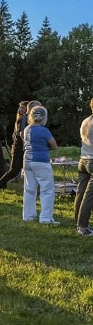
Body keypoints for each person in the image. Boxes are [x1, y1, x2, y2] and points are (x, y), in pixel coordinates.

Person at [22, 106, 58, 224]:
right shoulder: (44, 130)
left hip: (27, 160)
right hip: (41, 161)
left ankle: (28, 216)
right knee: (47, 190)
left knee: (29, 190)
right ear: (44, 117)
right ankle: (45, 218)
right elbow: (54, 145)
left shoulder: (27, 129)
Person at [0, 101, 30, 194]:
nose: (21, 109)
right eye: (20, 107)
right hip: (20, 147)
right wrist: (26, 143)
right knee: (14, 170)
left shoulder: (23, 118)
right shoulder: (23, 118)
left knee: (24, 169)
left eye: (23, 108)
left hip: (20, 146)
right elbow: (21, 133)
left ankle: (29, 189)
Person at [75, 98, 93, 236]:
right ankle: (83, 227)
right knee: (89, 195)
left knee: (81, 192)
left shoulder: (85, 121)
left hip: (83, 159)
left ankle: (78, 221)